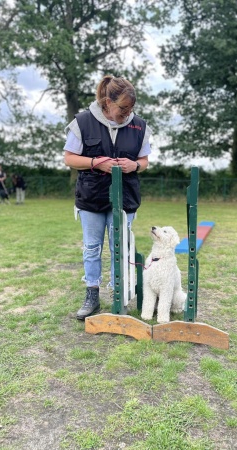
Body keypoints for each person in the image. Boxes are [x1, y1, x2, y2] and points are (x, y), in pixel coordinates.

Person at [64, 75, 152, 320]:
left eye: (131, 108)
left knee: (120, 248)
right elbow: (70, 158)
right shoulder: (82, 122)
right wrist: (95, 162)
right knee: (92, 248)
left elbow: (145, 161)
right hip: (91, 198)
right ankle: (92, 294)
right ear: (107, 101)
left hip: (124, 198)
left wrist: (134, 165)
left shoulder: (139, 126)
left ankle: (118, 293)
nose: (128, 113)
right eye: (123, 108)